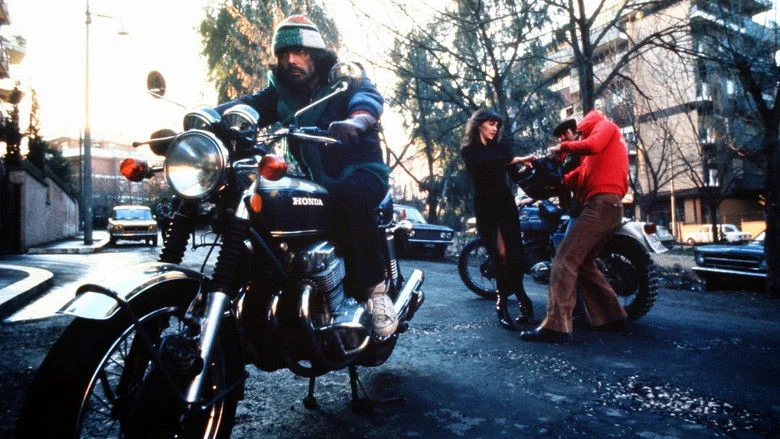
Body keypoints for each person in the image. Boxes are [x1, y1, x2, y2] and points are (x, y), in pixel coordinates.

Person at [214, 15, 396, 337]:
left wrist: (356, 122)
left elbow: (366, 98)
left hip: (363, 170)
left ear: (316, 55)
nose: (291, 60)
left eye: (299, 52)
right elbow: (247, 107)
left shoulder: (343, 79)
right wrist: (204, 118)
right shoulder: (281, 93)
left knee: (350, 198)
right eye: (284, 54)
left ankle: (376, 292)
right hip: (317, 180)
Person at [520, 109, 630, 343]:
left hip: (601, 204)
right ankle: (613, 316)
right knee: (584, 263)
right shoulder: (593, 155)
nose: (573, 137)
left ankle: (556, 327)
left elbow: (591, 144)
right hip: (606, 205)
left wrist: (563, 147)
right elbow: (574, 177)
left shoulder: (604, 127)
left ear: (582, 127)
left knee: (564, 259)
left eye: (575, 133)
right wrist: (541, 179)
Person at [460, 108, 534, 329]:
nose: (495, 128)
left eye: (497, 125)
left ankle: (522, 298)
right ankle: (503, 304)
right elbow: (484, 164)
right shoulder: (469, 150)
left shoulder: (502, 149)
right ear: (479, 124)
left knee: (513, 255)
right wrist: (515, 159)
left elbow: (516, 175)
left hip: (505, 204)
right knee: (499, 254)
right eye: (491, 124)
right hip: (486, 207)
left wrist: (535, 173)